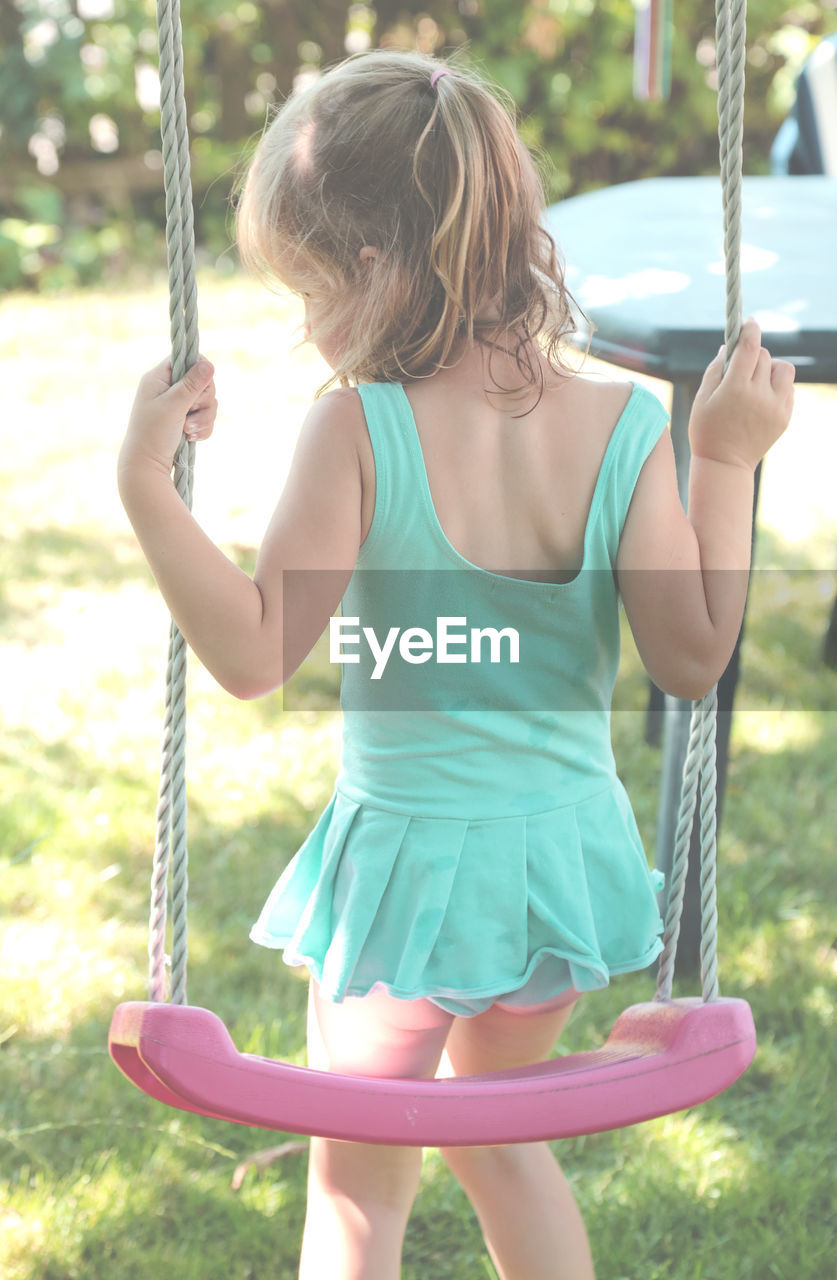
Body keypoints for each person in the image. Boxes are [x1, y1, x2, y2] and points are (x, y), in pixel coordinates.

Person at [118, 49, 795, 1280]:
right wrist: (731, 462)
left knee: (359, 1170)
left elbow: (255, 652)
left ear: (373, 269)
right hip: (556, 871)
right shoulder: (629, 424)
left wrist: (145, 491)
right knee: (501, 1133)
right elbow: (693, 657)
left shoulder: (359, 428)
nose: (310, 320)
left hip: (405, 879)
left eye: (309, 285)